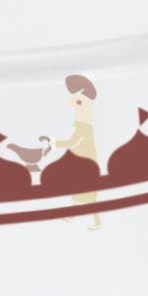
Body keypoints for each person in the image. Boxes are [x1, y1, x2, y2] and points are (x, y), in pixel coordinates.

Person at [48, 74, 102, 231]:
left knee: (87, 194)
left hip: (84, 163)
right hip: (81, 162)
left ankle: (96, 221)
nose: (72, 104)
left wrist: (55, 144)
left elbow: (72, 142)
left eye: (78, 103)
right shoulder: (85, 126)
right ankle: (75, 215)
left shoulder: (83, 126)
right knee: (80, 191)